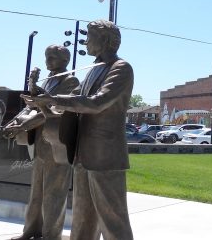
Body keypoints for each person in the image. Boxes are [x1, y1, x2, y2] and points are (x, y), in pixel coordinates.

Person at [23, 20, 134, 240]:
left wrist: (53, 98)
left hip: (105, 156)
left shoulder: (121, 68)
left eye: (90, 36)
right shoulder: (94, 69)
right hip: (82, 153)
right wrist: (43, 102)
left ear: (104, 40)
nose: (85, 41)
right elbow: (73, 104)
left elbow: (97, 102)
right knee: (83, 217)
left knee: (113, 219)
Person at [3, 45, 79, 240]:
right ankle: (31, 230)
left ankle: (51, 235)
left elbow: (51, 112)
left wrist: (24, 125)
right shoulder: (50, 81)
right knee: (36, 193)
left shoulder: (70, 81)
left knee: (54, 195)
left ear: (64, 60)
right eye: (46, 57)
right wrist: (32, 83)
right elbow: (37, 104)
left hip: (57, 145)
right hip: (41, 144)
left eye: (52, 57)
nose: (47, 61)